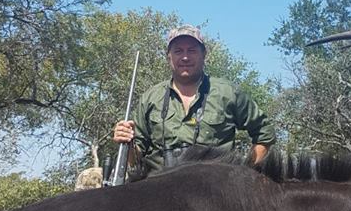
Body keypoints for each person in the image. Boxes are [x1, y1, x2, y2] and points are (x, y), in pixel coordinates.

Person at [113, 24, 276, 173]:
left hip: (214, 192)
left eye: (192, 50)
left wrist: (246, 174)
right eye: (178, 51)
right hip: (159, 192)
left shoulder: (227, 93)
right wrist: (127, 142)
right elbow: (137, 157)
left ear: (204, 54)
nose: (185, 57)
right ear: (169, 56)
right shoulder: (150, 98)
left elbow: (264, 133)